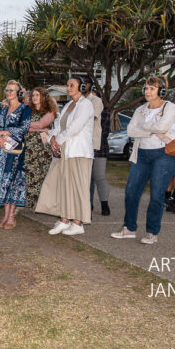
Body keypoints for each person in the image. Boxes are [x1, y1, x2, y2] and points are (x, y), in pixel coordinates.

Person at [111, 75, 175, 244]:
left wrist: (143, 127)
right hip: (141, 154)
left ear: (161, 91)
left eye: (152, 88)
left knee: (156, 195)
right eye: (146, 88)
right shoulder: (140, 110)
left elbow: (163, 126)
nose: (148, 91)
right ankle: (129, 228)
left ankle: (152, 232)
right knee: (131, 192)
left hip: (163, 155)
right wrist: (153, 130)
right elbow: (130, 131)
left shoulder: (170, 107)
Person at [36, 76, 95, 236]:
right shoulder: (68, 105)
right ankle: (64, 220)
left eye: (72, 85)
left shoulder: (86, 105)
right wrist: (53, 138)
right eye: (67, 85)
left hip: (79, 152)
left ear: (81, 87)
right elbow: (58, 125)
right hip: (65, 152)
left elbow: (75, 127)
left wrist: (58, 140)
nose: (68, 88)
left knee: (78, 188)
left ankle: (78, 223)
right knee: (64, 186)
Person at [0, 81, 31, 228]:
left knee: (13, 181)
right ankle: (5, 215)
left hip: (15, 152)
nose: (9, 93)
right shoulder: (2, 109)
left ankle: (11, 217)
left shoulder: (24, 108)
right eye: (7, 90)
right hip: (0, 150)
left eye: (12, 90)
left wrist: (6, 132)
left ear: (18, 93)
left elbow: (24, 127)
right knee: (2, 181)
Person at [24, 87, 58, 210]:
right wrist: (38, 128)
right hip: (28, 147)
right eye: (33, 95)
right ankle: (29, 201)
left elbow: (42, 124)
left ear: (44, 97)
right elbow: (33, 126)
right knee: (29, 174)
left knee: (40, 174)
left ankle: (41, 203)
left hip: (42, 149)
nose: (34, 97)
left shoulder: (50, 112)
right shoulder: (29, 111)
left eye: (37, 95)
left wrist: (26, 125)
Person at [84, 78, 111, 216]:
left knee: (99, 176)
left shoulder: (105, 114)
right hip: (85, 146)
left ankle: (104, 204)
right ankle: (88, 205)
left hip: (100, 147)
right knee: (88, 178)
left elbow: (104, 133)